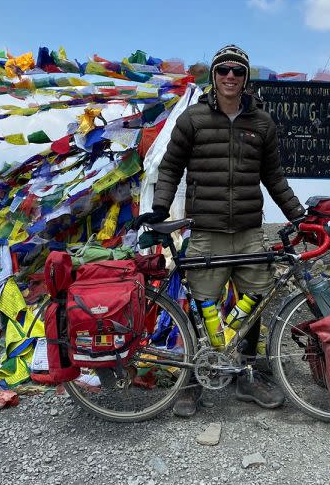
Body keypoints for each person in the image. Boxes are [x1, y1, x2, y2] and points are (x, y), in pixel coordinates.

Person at [134, 44, 306, 417]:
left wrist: (298, 215)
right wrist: (160, 208)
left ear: (246, 79)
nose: (231, 76)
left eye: (238, 71)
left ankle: (245, 375)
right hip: (207, 229)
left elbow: (274, 177)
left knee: (255, 302)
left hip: (248, 229)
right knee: (201, 306)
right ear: (213, 76)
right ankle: (194, 382)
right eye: (224, 70)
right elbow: (170, 168)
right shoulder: (193, 119)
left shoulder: (262, 123)